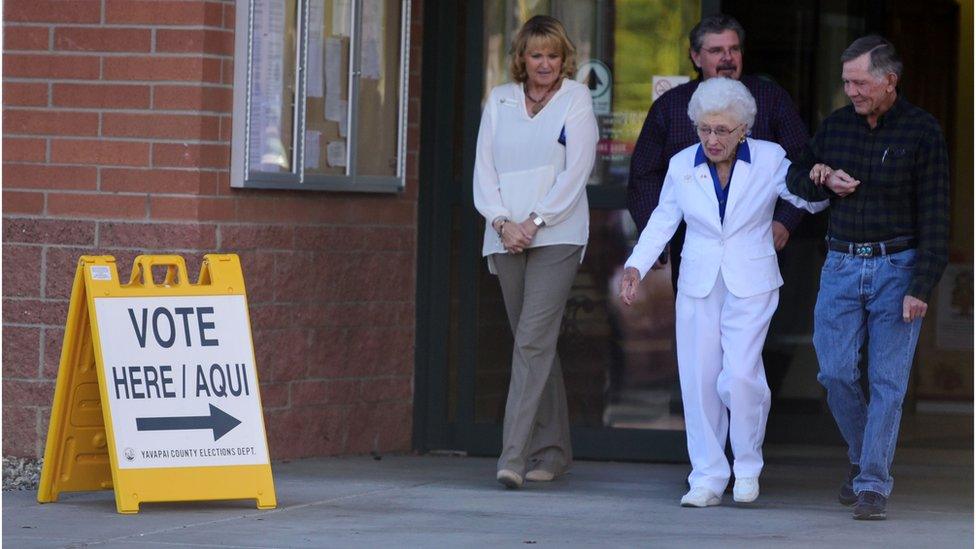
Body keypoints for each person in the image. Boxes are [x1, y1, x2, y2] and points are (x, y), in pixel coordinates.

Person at [618, 78, 827, 507]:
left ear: (744, 129)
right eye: (705, 129)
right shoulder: (681, 164)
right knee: (698, 381)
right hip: (698, 282)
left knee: (740, 377)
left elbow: (806, 198)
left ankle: (748, 464)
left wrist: (823, 181)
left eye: (723, 131)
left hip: (751, 279)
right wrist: (636, 265)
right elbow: (663, 218)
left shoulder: (770, 159)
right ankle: (708, 476)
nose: (712, 139)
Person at [785, 35, 949, 521]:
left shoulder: (922, 131)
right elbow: (794, 178)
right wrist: (820, 175)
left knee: (887, 381)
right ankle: (863, 460)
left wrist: (922, 286)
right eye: (846, 82)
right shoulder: (835, 126)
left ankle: (873, 483)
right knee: (833, 371)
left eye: (858, 82)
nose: (850, 91)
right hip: (839, 265)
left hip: (898, 268)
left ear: (888, 81)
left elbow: (937, 215)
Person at [472, 15, 598, 490]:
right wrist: (502, 221)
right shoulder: (500, 98)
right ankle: (555, 450)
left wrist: (535, 221)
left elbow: (577, 170)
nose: (545, 64)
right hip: (504, 234)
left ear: (565, 58)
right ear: (522, 59)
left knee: (531, 342)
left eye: (553, 55)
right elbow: (484, 167)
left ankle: (513, 456)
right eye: (536, 55)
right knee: (535, 345)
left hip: (557, 234)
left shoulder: (576, 98)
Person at [628, 14, 810, 288]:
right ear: (696, 56)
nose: (728, 58)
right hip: (693, 247)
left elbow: (803, 163)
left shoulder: (771, 98)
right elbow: (644, 174)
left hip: (757, 243)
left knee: (753, 326)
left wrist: (785, 220)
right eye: (716, 50)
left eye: (733, 49)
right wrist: (653, 239)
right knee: (697, 325)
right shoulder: (670, 106)